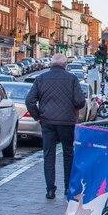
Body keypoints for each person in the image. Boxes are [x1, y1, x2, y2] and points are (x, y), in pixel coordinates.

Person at [25, 53, 87, 200]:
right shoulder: (72, 79)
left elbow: (30, 100)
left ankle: (50, 190)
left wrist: (38, 116)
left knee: (48, 155)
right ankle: (68, 188)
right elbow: (80, 102)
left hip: (47, 121)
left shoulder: (40, 79)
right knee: (68, 154)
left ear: (51, 64)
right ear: (65, 65)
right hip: (67, 122)